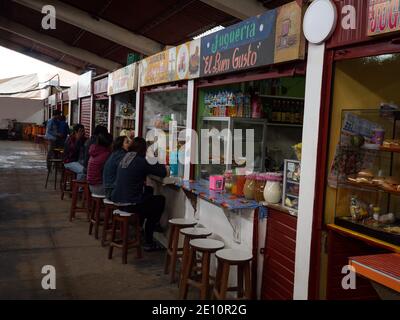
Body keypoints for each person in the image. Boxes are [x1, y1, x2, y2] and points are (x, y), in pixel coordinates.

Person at [112, 137, 168, 252]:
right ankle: (148, 240)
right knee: (159, 201)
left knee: (148, 191)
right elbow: (162, 172)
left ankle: (141, 227)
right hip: (130, 203)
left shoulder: (126, 157)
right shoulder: (140, 161)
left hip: (118, 200)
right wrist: (156, 159)